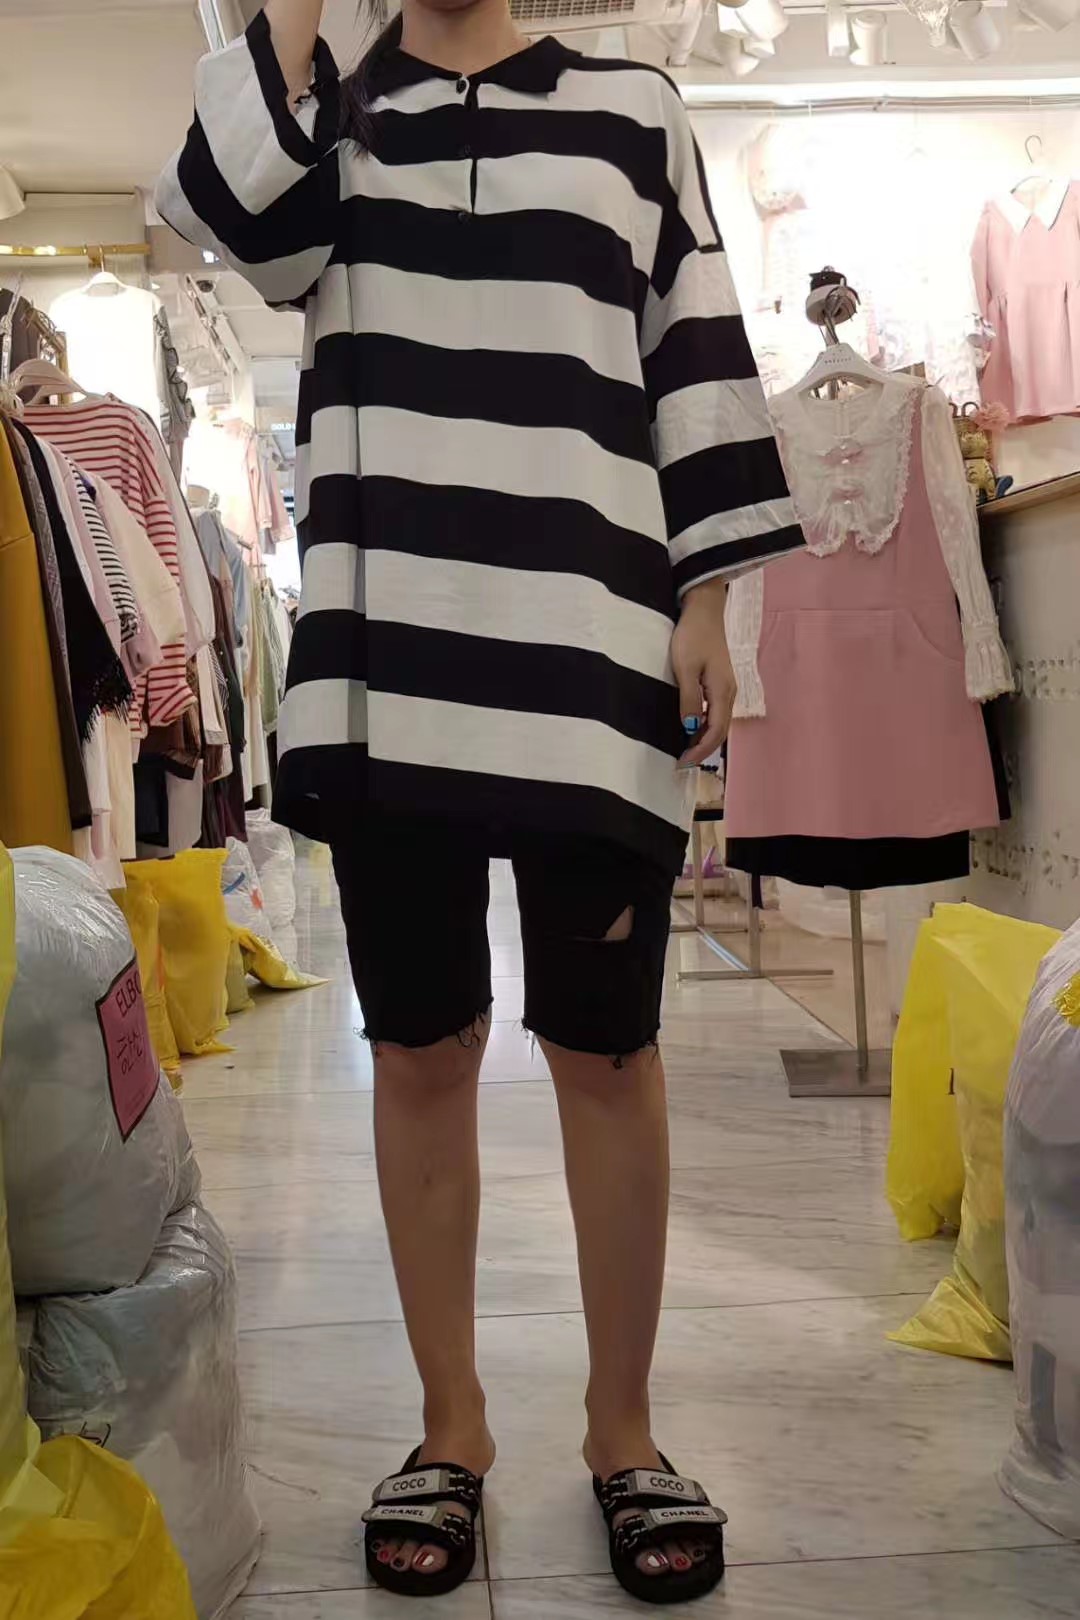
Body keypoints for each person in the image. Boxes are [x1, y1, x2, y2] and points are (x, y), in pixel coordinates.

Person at [159, 0, 800, 1602]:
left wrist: (708, 601)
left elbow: (694, 349)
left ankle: (623, 1429)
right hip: (393, 658)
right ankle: (451, 1426)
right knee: (420, 1047)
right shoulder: (326, 121)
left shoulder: (633, 109)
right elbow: (233, 216)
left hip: (594, 640)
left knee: (609, 1048)